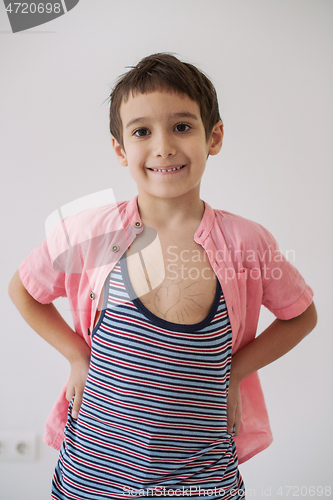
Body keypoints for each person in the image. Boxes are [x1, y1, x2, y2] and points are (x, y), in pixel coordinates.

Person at [8, 53, 317, 500]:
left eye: (182, 127)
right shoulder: (91, 233)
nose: (163, 147)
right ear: (120, 149)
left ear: (215, 137)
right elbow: (24, 290)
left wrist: (235, 373)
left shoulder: (247, 243)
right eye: (141, 132)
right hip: (92, 474)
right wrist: (77, 356)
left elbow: (300, 315)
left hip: (202, 479)